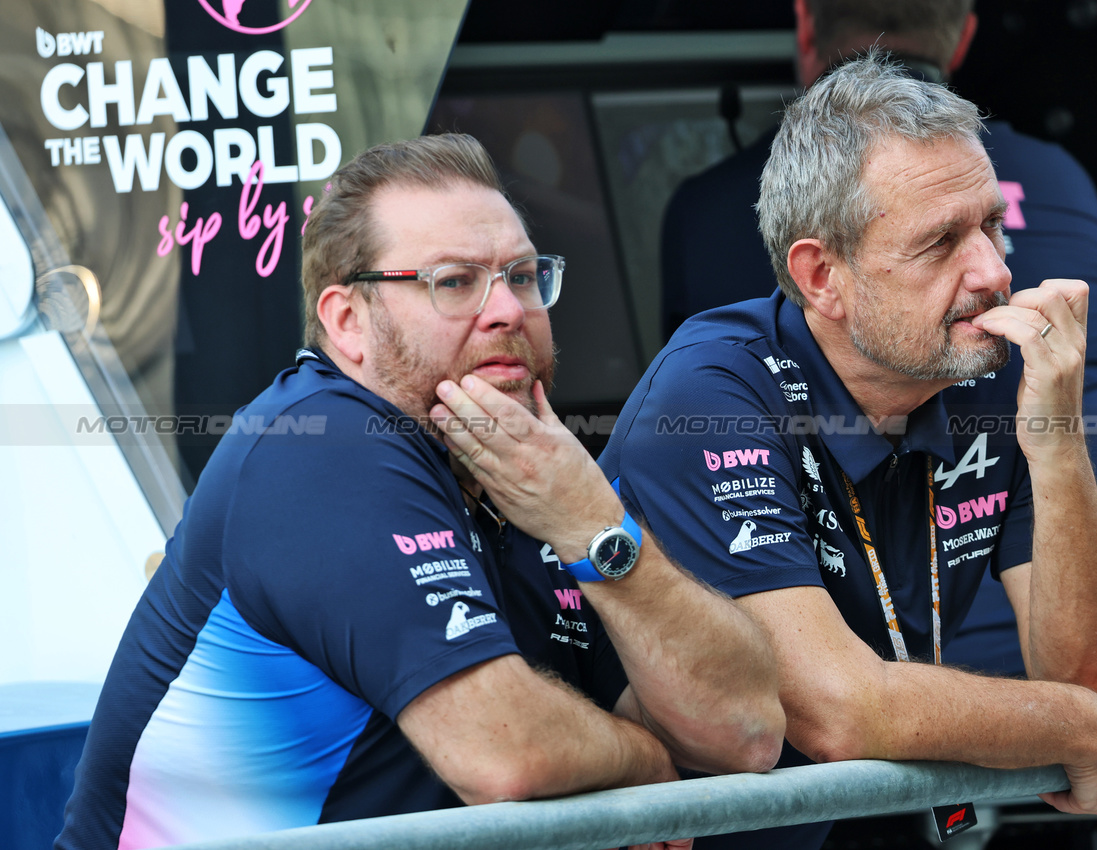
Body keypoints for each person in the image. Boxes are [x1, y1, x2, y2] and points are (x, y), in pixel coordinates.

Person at [54, 134, 786, 850]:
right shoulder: (315, 441)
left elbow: (745, 731)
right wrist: (645, 761)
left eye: (524, 276)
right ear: (348, 324)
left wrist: (595, 522)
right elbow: (503, 750)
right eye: (454, 281)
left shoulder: (538, 474)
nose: (507, 311)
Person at [602, 46, 1097, 850]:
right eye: (940, 243)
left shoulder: (981, 369)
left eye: (991, 226)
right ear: (820, 276)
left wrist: (1057, 437)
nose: (991, 273)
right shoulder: (709, 392)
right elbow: (837, 710)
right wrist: (1075, 728)